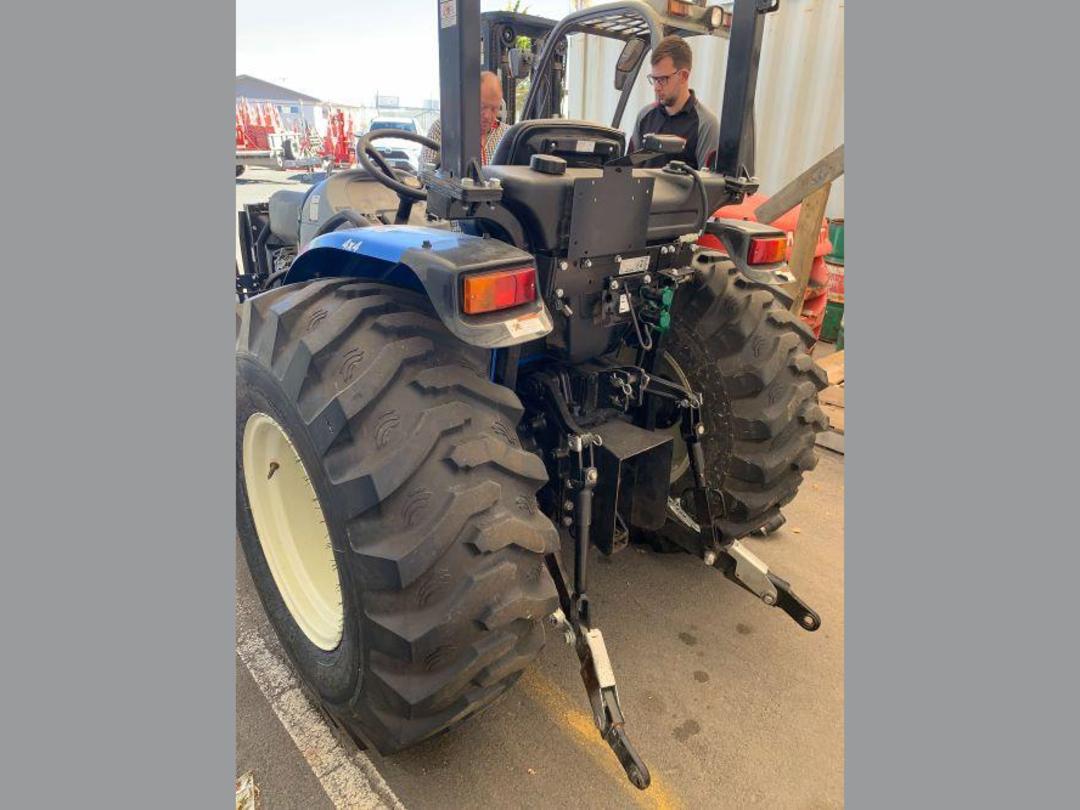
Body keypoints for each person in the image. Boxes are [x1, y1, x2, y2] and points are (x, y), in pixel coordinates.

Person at [628, 35, 720, 171]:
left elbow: (708, 182)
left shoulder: (706, 125)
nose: (656, 87)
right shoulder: (644, 116)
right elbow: (628, 170)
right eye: (654, 79)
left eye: (662, 79)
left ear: (683, 76)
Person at [419, 71, 509, 170]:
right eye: (482, 107)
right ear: (468, 100)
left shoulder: (508, 135)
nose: (487, 116)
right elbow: (425, 174)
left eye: (494, 109)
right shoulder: (443, 129)